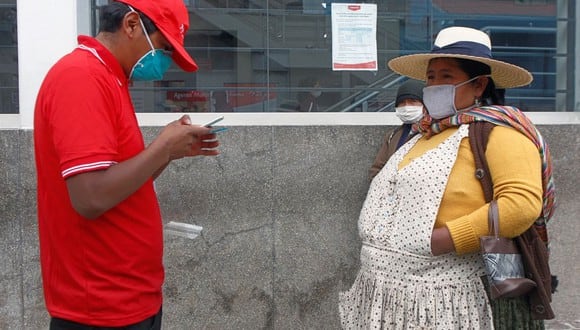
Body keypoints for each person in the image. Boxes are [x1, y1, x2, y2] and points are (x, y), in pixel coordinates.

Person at [339, 26, 555, 329]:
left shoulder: (500, 133)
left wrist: (441, 240)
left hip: (446, 296)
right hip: (388, 292)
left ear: (479, 84)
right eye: (430, 77)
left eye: (446, 76)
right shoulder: (423, 133)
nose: (434, 85)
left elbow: (519, 206)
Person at [33, 1, 220, 329]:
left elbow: (119, 180)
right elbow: (91, 198)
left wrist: (169, 152)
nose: (164, 64)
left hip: (129, 300)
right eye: (163, 49)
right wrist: (161, 147)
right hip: (101, 309)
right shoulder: (81, 78)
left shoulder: (108, 77)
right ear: (131, 25)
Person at [369, 79, 425, 179]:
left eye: (413, 101)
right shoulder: (392, 136)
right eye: (402, 102)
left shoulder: (434, 132)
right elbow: (377, 169)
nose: (407, 107)